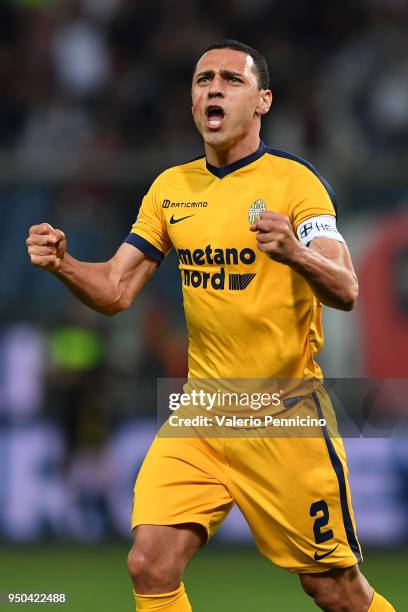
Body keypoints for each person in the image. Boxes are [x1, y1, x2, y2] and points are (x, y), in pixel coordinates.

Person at [26, 39, 395, 612]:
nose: (214, 88)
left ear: (262, 101)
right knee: (149, 564)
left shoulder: (296, 183)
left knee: (334, 590)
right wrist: (65, 265)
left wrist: (296, 255)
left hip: (283, 412)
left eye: (231, 79)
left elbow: (346, 288)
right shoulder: (172, 189)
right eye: (203, 80)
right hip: (202, 411)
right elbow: (117, 290)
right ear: (194, 102)